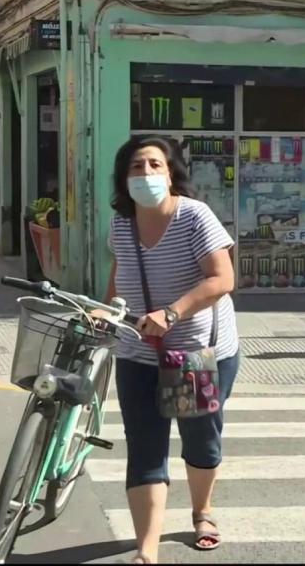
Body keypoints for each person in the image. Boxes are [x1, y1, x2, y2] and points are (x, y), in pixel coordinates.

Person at [99, 136, 239, 564]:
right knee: (144, 445)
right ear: (124, 178)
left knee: (201, 441)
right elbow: (120, 272)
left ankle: (202, 510)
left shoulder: (195, 217)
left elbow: (222, 279)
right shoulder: (121, 224)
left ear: (170, 173)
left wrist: (172, 314)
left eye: (154, 166)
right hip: (138, 351)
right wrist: (105, 313)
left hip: (198, 351)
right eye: (136, 167)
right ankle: (147, 550)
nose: (145, 174)